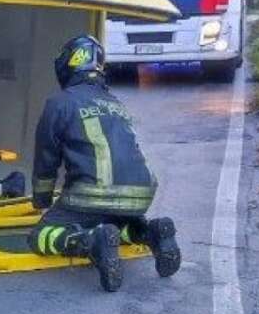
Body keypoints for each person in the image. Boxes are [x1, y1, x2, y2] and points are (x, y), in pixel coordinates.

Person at [28, 35, 181, 292]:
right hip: (139, 196)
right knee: (115, 225)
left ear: (70, 63)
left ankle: (89, 242)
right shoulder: (115, 103)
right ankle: (151, 232)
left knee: (39, 237)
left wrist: (42, 199)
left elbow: (47, 157)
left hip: (93, 195)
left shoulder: (60, 103)